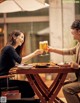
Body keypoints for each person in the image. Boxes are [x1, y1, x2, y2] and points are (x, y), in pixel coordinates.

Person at [0, 30, 43, 99]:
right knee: (28, 86)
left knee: (28, 85)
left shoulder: (10, 49)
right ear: (14, 37)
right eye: (21, 37)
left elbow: (18, 61)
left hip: (5, 79)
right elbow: (20, 60)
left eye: (23, 38)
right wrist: (34, 53)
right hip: (3, 80)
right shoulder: (9, 48)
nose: (23, 40)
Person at [48, 20, 80, 103]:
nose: (73, 37)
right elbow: (69, 51)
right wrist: (52, 49)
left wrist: (78, 66)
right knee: (65, 85)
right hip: (78, 79)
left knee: (67, 89)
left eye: (73, 34)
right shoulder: (79, 44)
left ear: (79, 31)